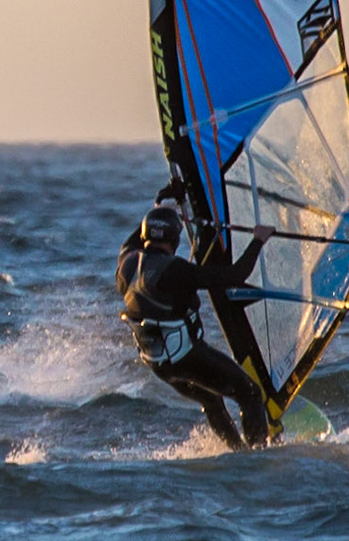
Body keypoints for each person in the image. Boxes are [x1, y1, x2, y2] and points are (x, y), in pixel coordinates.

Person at [115, 192, 276, 449]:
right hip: (186, 358)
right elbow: (236, 275)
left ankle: (237, 452)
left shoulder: (126, 263)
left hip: (160, 365)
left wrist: (160, 209)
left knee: (211, 400)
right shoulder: (176, 270)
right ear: (175, 239)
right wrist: (258, 239)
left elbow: (140, 236)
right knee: (249, 393)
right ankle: (258, 457)